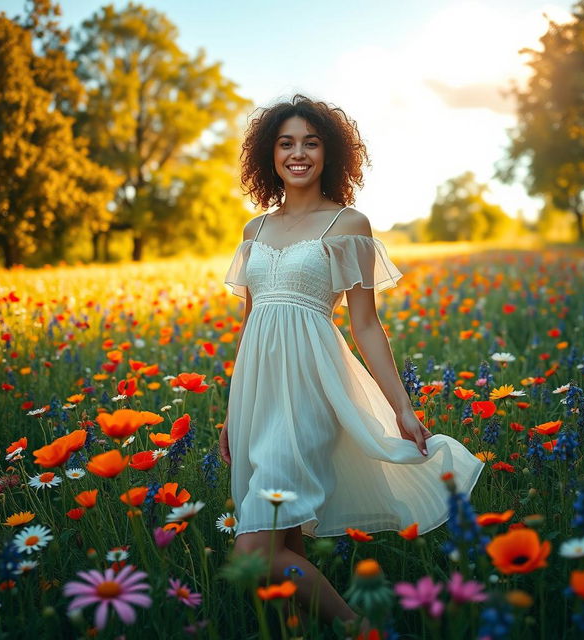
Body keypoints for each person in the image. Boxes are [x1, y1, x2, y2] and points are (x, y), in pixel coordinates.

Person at [220, 94, 485, 636]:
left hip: (311, 388)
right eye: (286, 143)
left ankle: (361, 629)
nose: (298, 154)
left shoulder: (349, 223)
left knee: (254, 547)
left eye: (311, 143)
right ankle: (306, 631)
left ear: (330, 153)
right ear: (269, 154)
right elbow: (251, 324)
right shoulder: (254, 231)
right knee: (283, 540)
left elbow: (365, 324)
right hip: (257, 394)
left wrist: (403, 409)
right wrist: (231, 411)